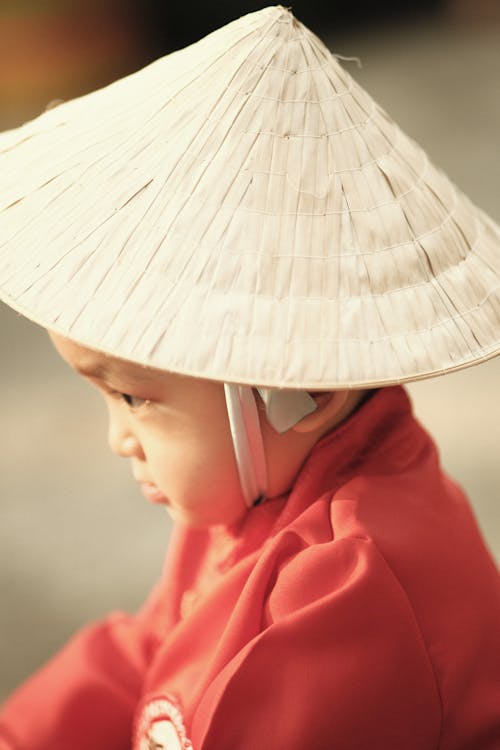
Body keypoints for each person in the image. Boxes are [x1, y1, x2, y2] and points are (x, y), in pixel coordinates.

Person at [0, 5, 499, 749]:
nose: (118, 440)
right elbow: (149, 651)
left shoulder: (349, 589)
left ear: (297, 388)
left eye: (135, 397)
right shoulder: (254, 488)